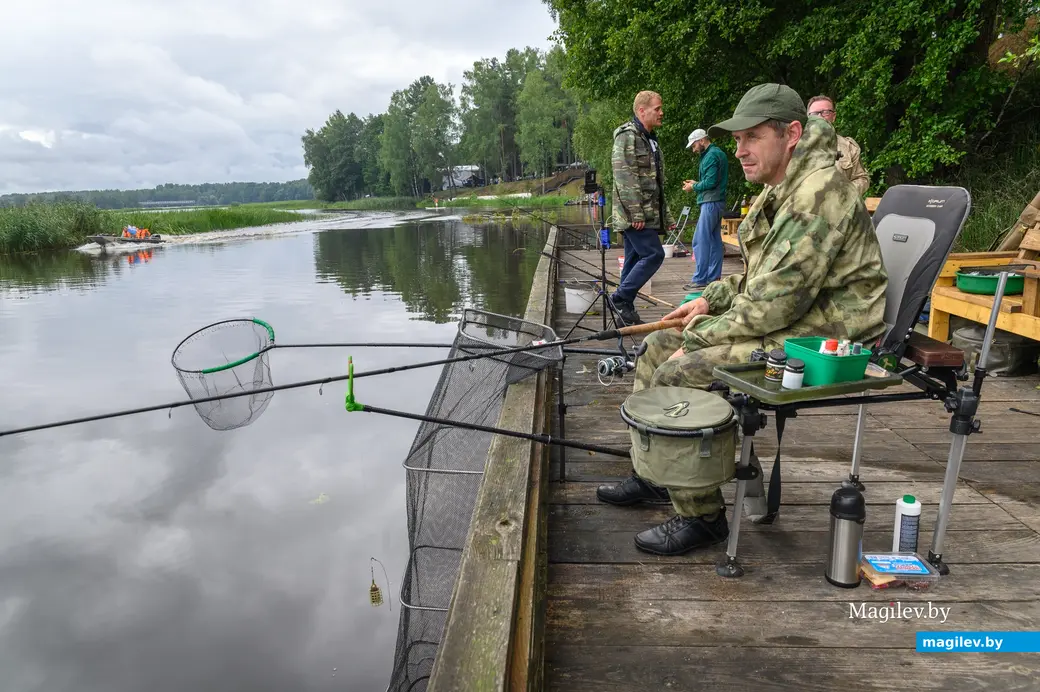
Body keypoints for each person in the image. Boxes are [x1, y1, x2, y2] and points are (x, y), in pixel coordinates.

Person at [596, 83, 889, 556]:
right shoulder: (785, 186)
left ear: (791, 133)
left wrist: (701, 333)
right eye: (736, 140)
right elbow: (761, 279)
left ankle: (702, 516)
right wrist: (709, 300)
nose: (740, 151)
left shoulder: (817, 195)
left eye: (752, 137)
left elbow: (775, 305)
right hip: (798, 314)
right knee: (654, 349)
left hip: (829, 335)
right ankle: (656, 473)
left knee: (679, 370)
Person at [609, 90, 675, 325]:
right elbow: (625, 177)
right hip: (634, 215)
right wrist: (635, 213)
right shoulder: (627, 136)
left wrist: (665, 216)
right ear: (641, 111)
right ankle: (620, 298)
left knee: (633, 259)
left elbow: (656, 182)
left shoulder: (650, 139)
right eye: (657, 108)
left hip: (647, 214)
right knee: (653, 255)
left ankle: (622, 312)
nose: (661, 112)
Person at [681, 128, 728, 291]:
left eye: (694, 145)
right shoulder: (716, 153)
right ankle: (713, 277)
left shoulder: (710, 156)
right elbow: (711, 180)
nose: (693, 149)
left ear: (702, 140)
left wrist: (693, 187)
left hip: (711, 202)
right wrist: (696, 182)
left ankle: (700, 278)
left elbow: (710, 183)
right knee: (714, 241)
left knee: (699, 240)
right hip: (717, 201)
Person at [806, 95, 870, 196]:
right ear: (808, 117)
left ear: (834, 116)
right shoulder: (795, 146)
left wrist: (843, 193)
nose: (820, 117)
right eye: (815, 114)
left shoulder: (849, 147)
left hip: (841, 208)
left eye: (825, 112)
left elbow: (862, 179)